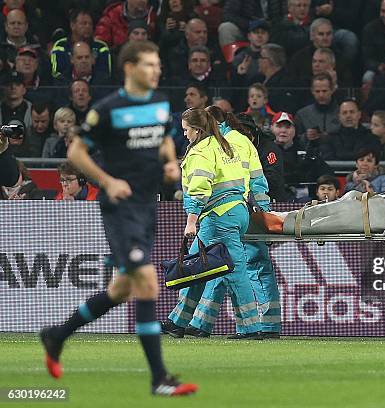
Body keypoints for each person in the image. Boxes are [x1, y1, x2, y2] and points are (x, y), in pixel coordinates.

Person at [39, 40, 197, 396]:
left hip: (147, 206)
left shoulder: (160, 104)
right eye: (149, 65)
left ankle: (57, 334)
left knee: (121, 290)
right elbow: (76, 150)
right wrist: (108, 181)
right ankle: (159, 378)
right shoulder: (107, 109)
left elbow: (166, 140)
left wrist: (171, 161)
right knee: (147, 282)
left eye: (158, 64)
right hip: (120, 209)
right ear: (129, 68)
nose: (156, 70)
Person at [164, 106, 266, 339]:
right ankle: (177, 321)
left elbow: (199, 189)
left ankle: (251, 328)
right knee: (196, 267)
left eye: (186, 130)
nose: (185, 135)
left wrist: (191, 221)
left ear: (197, 130)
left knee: (234, 272)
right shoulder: (223, 145)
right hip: (234, 211)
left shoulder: (201, 151)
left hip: (219, 217)